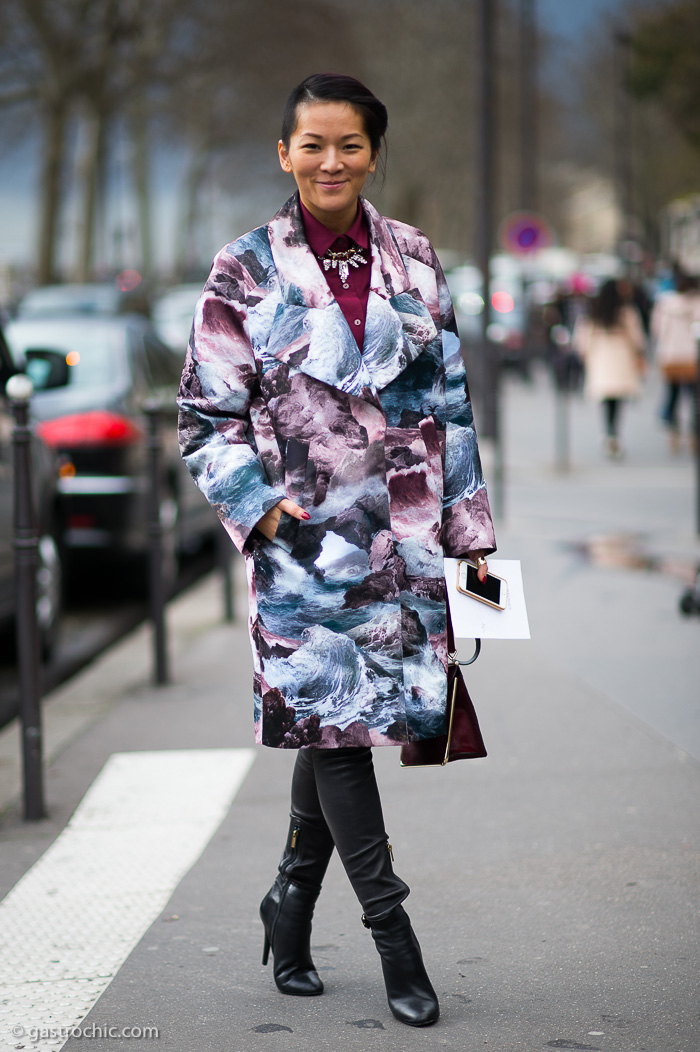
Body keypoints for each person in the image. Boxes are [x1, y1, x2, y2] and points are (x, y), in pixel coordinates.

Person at [177, 73, 495, 1028]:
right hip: (303, 555)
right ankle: (398, 943)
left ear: (372, 152)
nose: (330, 161)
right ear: (285, 154)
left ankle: (288, 904)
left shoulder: (416, 257)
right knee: (340, 727)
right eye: (312, 144)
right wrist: (269, 519)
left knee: (338, 730)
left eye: (349, 144)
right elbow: (202, 420)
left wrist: (474, 552)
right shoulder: (243, 268)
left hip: (402, 543)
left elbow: (451, 410)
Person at [573, 278, 646, 458]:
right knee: (618, 400)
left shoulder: (594, 312)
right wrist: (639, 354)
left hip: (601, 358)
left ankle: (609, 434)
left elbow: (583, 338)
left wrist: (585, 355)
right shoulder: (627, 312)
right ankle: (614, 434)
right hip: (621, 359)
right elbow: (637, 338)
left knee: (607, 400)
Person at [650, 270, 700, 454]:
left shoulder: (666, 305)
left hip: (671, 356)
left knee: (673, 395)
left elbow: (658, 332)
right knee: (694, 398)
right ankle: (695, 435)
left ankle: (673, 431)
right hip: (693, 357)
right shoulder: (697, 304)